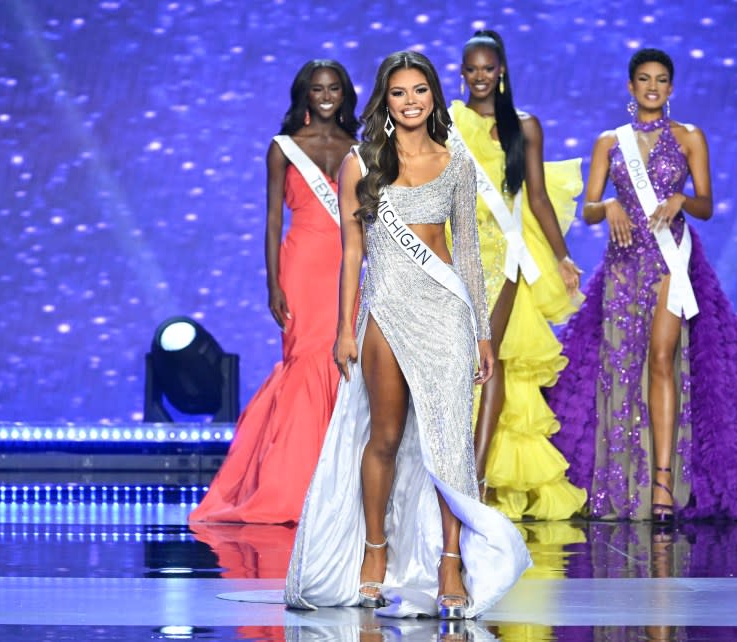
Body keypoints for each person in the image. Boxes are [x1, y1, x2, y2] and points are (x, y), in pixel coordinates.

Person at [284, 51, 530, 619]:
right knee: (386, 438)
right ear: (385, 99)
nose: (412, 100)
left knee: (449, 446)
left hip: (445, 312)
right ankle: (376, 551)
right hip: (386, 310)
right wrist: (345, 328)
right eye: (400, 92)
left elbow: (466, 252)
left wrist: (482, 335)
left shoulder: (456, 162)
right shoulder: (360, 162)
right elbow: (353, 253)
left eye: (421, 90)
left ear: (434, 97)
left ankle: (450, 562)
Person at [546, 48, 737, 521]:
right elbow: (588, 209)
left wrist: (681, 199)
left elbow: (707, 204)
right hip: (623, 269)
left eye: (662, 80)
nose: (653, 87)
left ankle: (664, 483)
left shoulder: (690, 137)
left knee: (663, 360)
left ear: (671, 88)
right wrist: (606, 207)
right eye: (644, 79)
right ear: (631, 87)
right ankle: (622, 482)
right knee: (621, 369)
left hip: (671, 262)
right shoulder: (610, 142)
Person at [189, 59, 358, 524]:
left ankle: (338, 488)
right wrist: (272, 283)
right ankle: (293, 485)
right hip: (301, 265)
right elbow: (271, 221)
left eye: (334, 88)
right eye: (318, 88)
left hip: (346, 266)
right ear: (305, 94)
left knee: (343, 365)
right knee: (306, 361)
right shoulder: (283, 148)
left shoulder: (359, 148)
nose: (326, 95)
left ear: (344, 94)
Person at [448, 30, 586, 520]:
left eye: (489, 68)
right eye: (473, 68)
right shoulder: (447, 123)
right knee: (457, 362)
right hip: (455, 252)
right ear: (462, 73)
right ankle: (451, 467)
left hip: (504, 257)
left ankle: (477, 477)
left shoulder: (524, 126)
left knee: (493, 357)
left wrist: (563, 256)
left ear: (501, 71)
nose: (481, 76)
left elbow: (539, 197)